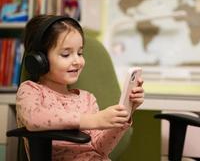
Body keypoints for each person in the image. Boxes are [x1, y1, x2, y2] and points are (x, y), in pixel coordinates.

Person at [16, 15, 144, 161]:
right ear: (40, 60)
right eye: (66, 54)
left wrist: (126, 114)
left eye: (80, 53)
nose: (77, 61)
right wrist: (92, 120)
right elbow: (34, 119)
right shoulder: (30, 91)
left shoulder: (87, 98)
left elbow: (100, 148)